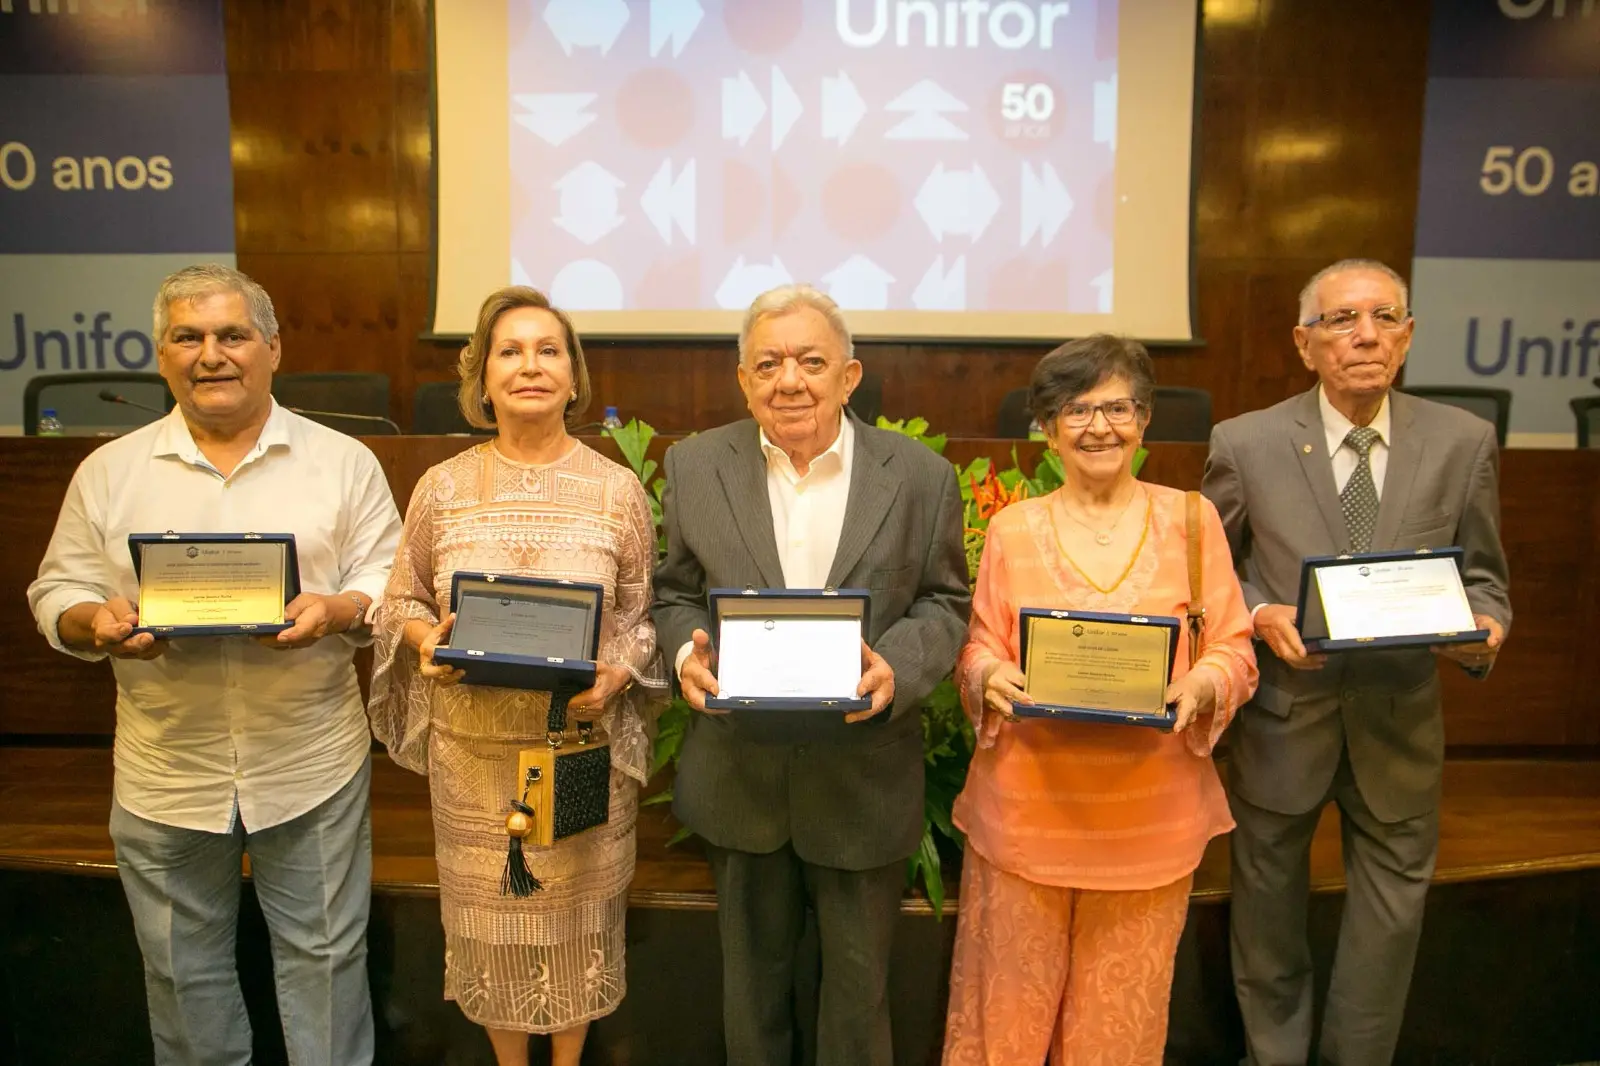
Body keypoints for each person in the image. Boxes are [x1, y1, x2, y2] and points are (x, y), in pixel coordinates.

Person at [26, 264, 401, 1066]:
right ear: (160, 355)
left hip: (310, 762)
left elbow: (386, 578)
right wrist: (95, 620)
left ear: (272, 348)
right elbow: (56, 588)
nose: (211, 354)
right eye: (187, 337)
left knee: (328, 964)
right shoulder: (109, 471)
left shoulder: (343, 463)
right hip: (167, 767)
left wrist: (339, 608)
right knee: (180, 975)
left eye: (232, 335)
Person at [1203, 258, 1512, 1066]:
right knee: (1266, 922)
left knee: (1387, 933)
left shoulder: (1463, 441)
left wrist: (1486, 625)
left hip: (1400, 725)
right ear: (1305, 344)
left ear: (1407, 337)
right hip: (1284, 719)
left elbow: (1484, 576)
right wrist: (1260, 612)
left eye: (1384, 317)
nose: (1365, 335)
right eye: (1341, 321)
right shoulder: (1244, 442)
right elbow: (1209, 576)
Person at [651, 284, 969, 1066]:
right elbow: (675, 591)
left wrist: (897, 665)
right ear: (743, 380)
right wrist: (686, 654)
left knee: (858, 1005)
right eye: (768, 363)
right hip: (740, 778)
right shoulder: (694, 466)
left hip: (862, 779)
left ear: (849, 376)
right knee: (751, 1000)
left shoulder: (921, 477)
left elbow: (945, 601)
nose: (789, 379)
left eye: (810, 360)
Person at [940, 334, 1259, 1065]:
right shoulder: (1014, 528)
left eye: (1117, 407)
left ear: (1144, 420)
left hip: (1150, 821)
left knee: (1119, 1030)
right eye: (1076, 410)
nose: (1099, 427)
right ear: (1047, 430)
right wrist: (987, 677)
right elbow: (977, 645)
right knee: (1007, 1026)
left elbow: (1235, 648)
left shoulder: (1192, 521)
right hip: (1027, 816)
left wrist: (1206, 681)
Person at [369, 286, 664, 1066]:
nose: (529, 365)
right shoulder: (442, 487)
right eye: (510, 350)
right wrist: (425, 638)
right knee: (490, 928)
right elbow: (401, 596)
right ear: (481, 375)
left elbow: (642, 620)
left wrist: (618, 675)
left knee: (576, 928)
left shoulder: (616, 490)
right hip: (471, 759)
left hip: (576, 749)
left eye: (547, 349)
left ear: (573, 376)